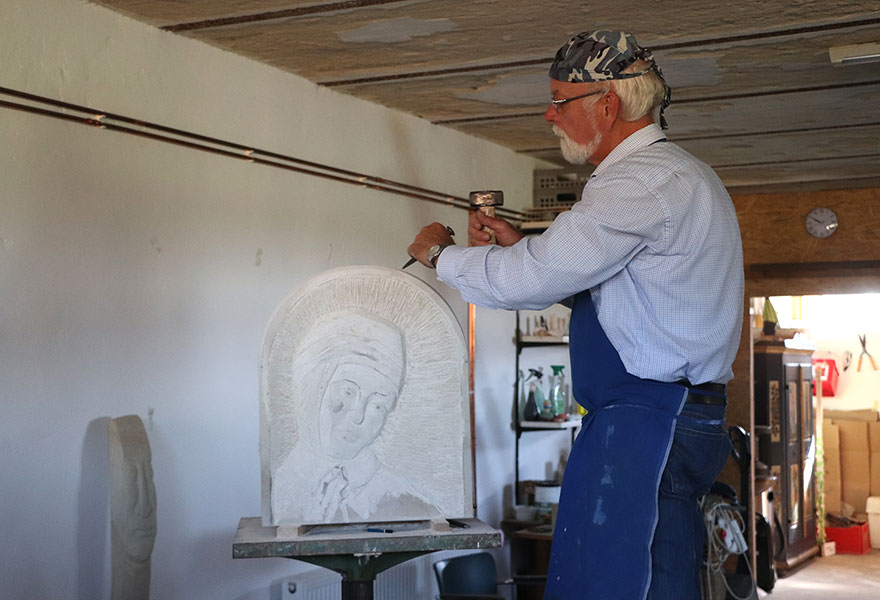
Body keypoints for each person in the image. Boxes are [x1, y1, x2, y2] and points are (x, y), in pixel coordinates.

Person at [407, 30, 744, 600]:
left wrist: (441, 256)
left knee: (619, 586)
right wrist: (519, 247)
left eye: (561, 101)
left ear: (606, 104)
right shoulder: (680, 175)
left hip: (650, 417)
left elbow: (535, 278)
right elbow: (624, 299)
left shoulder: (639, 181)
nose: (549, 114)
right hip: (667, 412)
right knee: (647, 574)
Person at [271, 309, 440, 525]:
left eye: (378, 405)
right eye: (347, 392)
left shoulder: (405, 499)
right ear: (314, 385)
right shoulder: (281, 483)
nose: (358, 417)